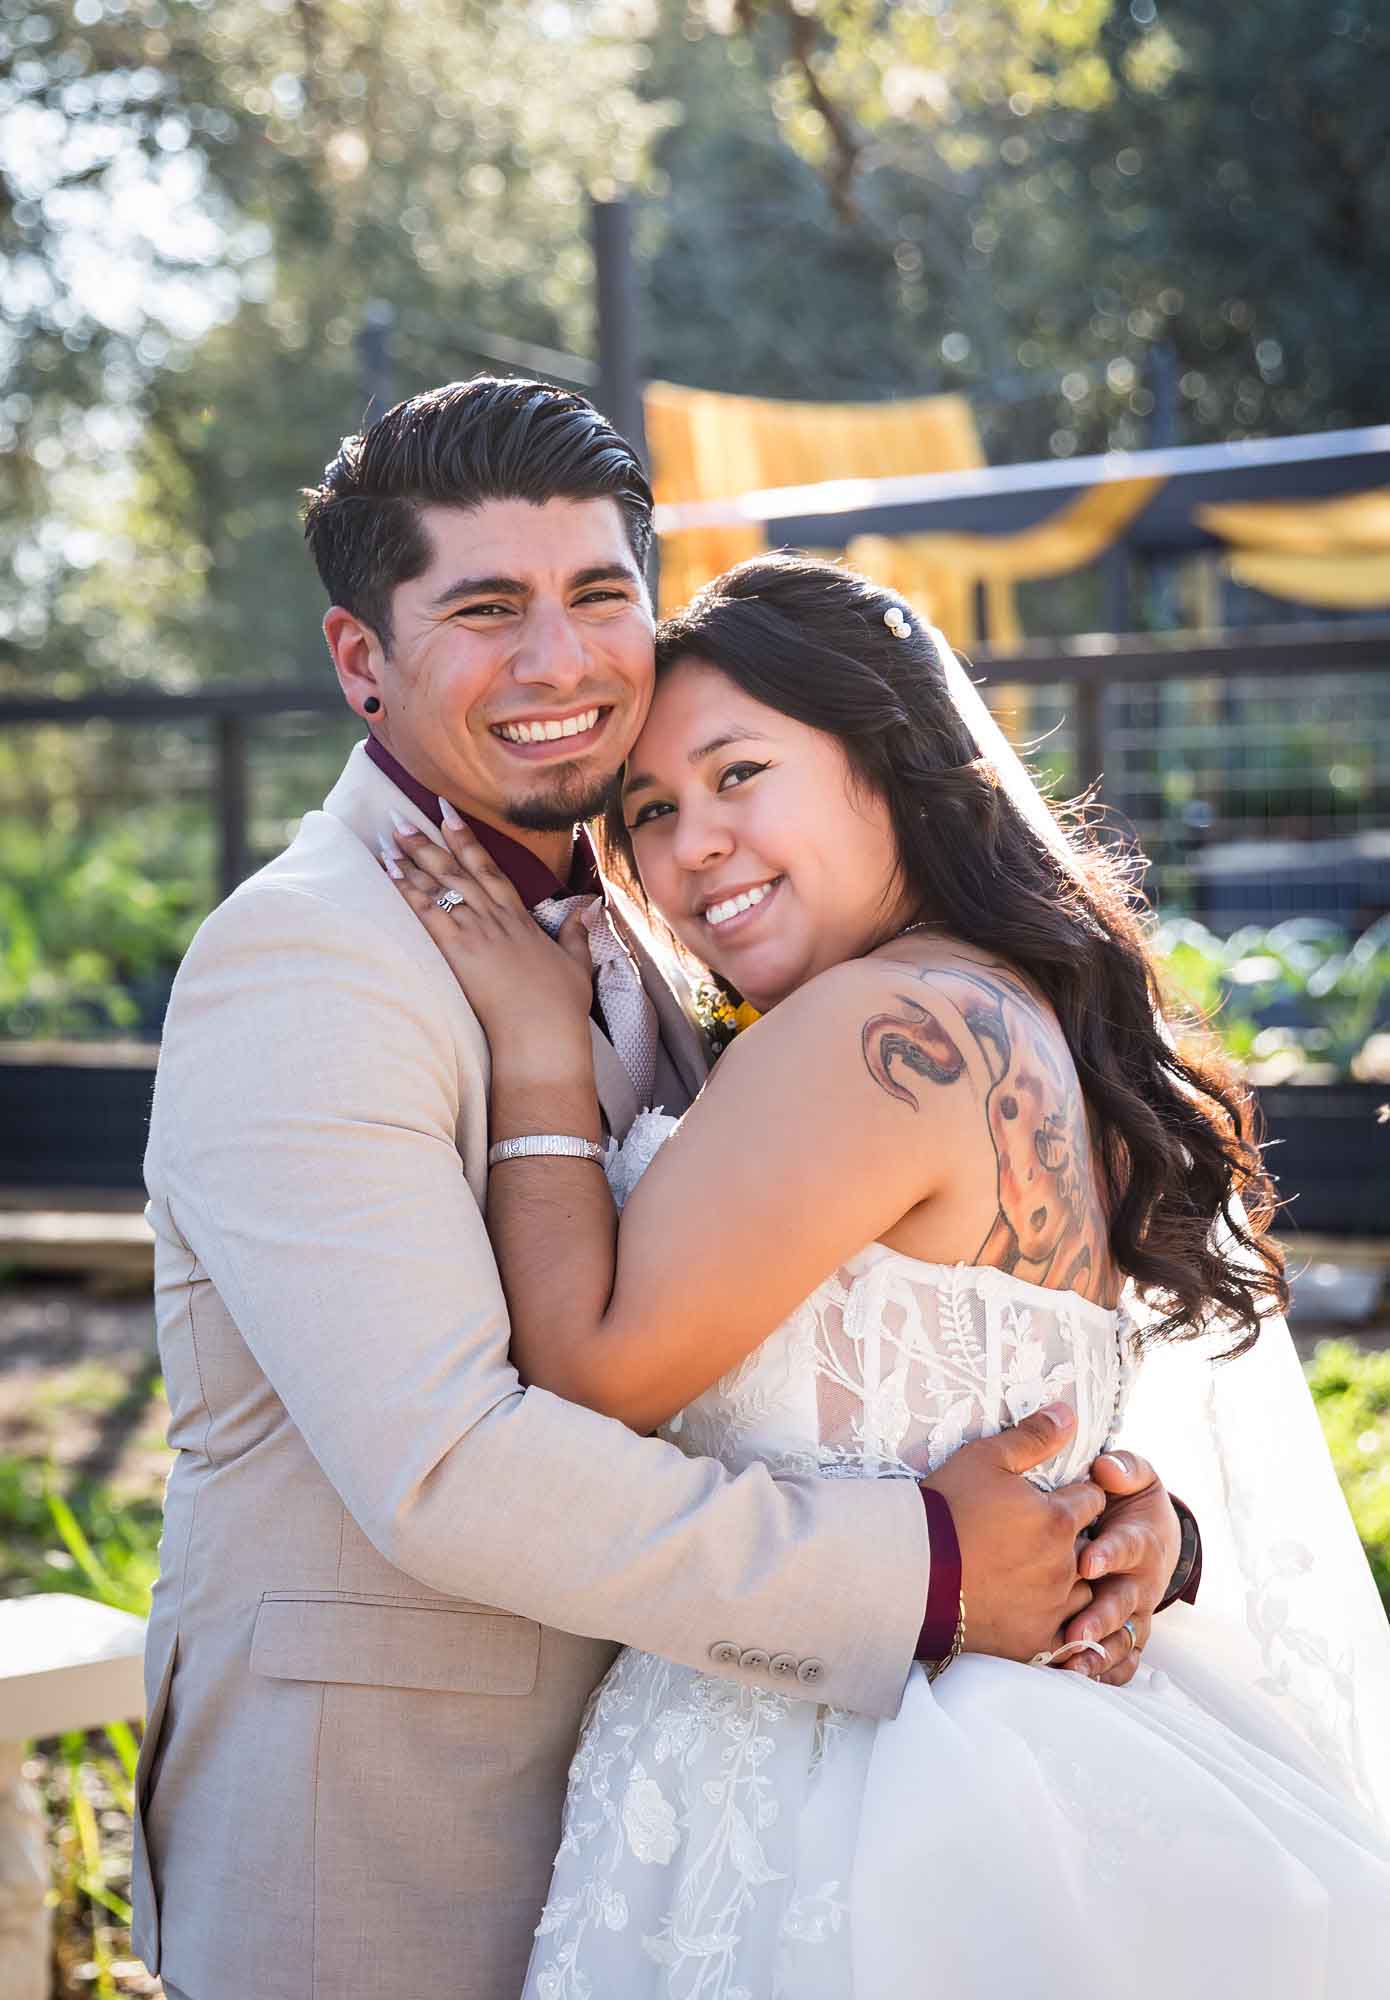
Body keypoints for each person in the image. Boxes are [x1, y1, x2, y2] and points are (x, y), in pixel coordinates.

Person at [131, 382, 1191, 2000]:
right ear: (364, 663)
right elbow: (445, 1468)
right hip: (392, 1830)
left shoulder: (659, 930)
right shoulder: (307, 963)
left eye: (597, 596)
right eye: (485, 611)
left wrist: (1115, 1527)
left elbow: (855, 1314)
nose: (558, 664)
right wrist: (942, 1569)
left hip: (715, 1817)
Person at [386, 551, 1390, 1997]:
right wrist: (1142, 1527)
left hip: (843, 1764)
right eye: (651, 811)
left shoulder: (874, 1029)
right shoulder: (1025, 1012)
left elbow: (595, 1372)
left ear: (894, 768)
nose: (691, 846)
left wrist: (537, 1049)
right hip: (1031, 1728)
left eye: (740, 774)